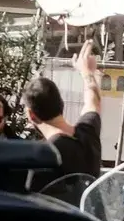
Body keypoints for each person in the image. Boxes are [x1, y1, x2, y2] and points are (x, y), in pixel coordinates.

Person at [25, 40, 105, 181]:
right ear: (61, 104)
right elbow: (93, 102)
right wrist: (87, 72)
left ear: (31, 115)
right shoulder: (87, 133)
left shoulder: (44, 155)